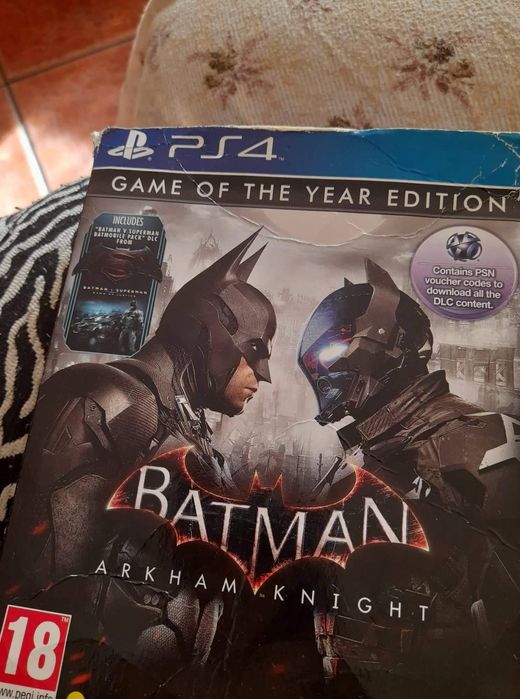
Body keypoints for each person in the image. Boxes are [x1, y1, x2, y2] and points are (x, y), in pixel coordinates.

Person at [3, 231, 276, 696]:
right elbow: (42, 581)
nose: (263, 375)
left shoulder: (190, 429)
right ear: (208, 333)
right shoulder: (109, 401)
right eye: (254, 350)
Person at [298, 259, 520, 697]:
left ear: (385, 342)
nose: (321, 370)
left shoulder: (474, 440)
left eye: (332, 348)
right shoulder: (372, 453)